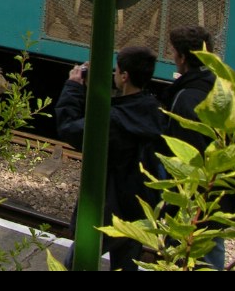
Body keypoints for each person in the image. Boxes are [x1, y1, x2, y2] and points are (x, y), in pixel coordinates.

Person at [56, 46, 165, 271]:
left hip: (110, 210)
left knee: (76, 264)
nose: (113, 75)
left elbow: (71, 129)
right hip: (140, 208)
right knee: (126, 266)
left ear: (124, 76)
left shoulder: (115, 121)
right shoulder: (155, 111)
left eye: (116, 71)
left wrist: (73, 88)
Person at [162, 25, 225, 270]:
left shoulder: (186, 97)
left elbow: (181, 149)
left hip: (193, 192)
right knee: (212, 246)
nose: (172, 57)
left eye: (174, 53)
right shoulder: (216, 86)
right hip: (216, 188)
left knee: (189, 251)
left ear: (183, 57)